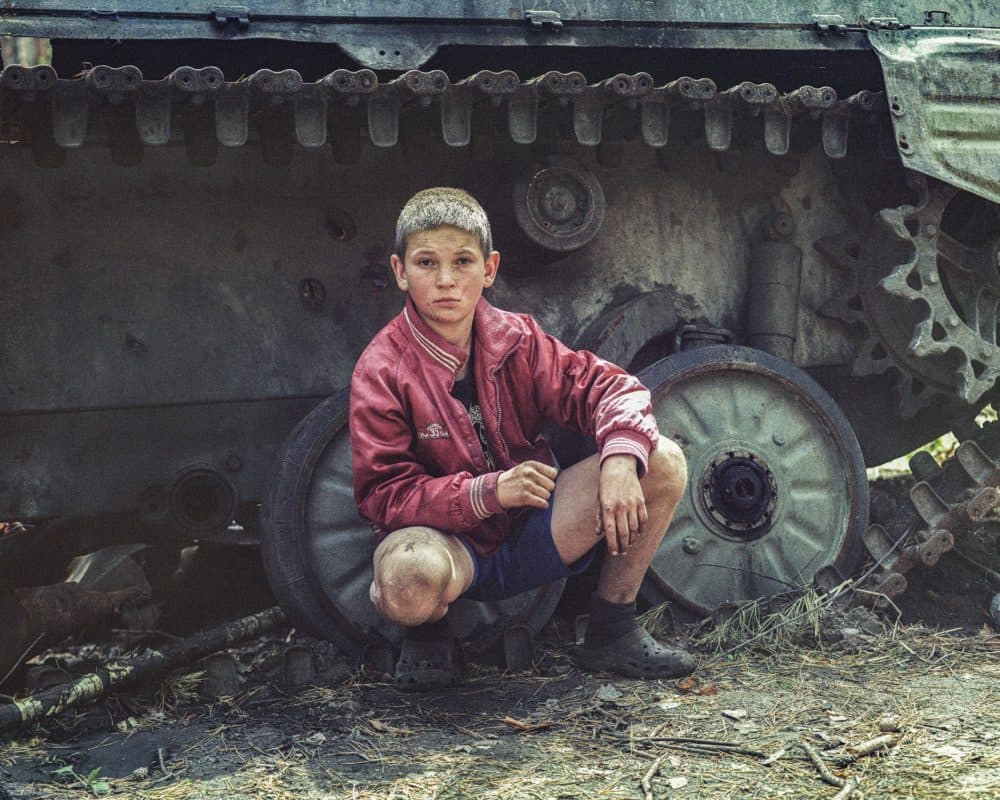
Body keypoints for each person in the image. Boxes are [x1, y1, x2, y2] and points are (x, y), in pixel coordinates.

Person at [349, 187, 695, 689]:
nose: (446, 281)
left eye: (462, 262)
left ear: (489, 269)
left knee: (660, 460)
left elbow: (611, 387)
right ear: (401, 271)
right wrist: (486, 493)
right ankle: (429, 636)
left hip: (535, 531)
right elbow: (384, 497)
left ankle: (612, 631)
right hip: (451, 548)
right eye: (427, 262)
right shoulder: (381, 368)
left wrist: (620, 457)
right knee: (407, 580)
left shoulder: (518, 339)